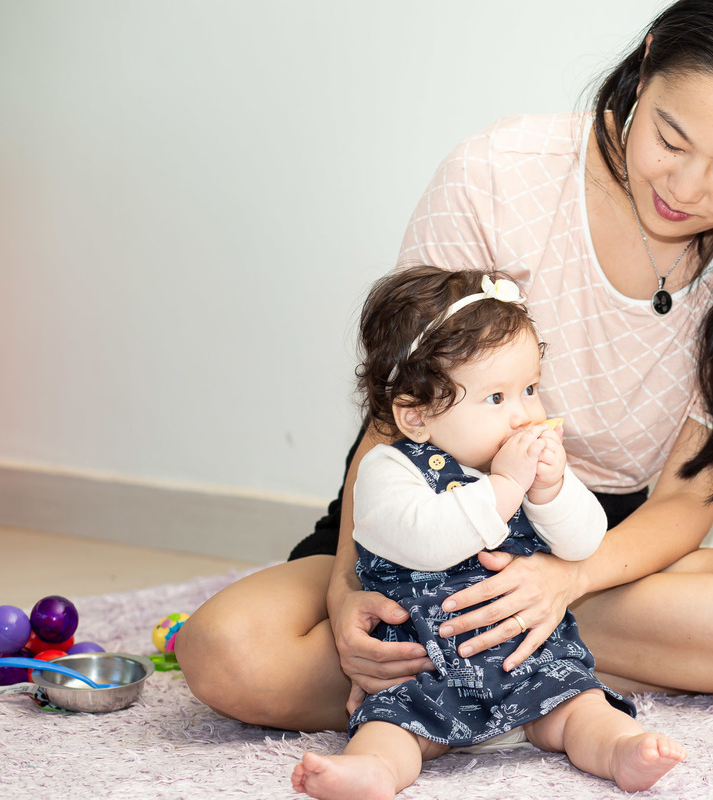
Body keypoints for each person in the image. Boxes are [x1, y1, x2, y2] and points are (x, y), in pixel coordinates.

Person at [177, 0, 713, 735]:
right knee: (228, 654)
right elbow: (398, 411)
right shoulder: (500, 175)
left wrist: (567, 581)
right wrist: (342, 586)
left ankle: (496, 668)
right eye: (669, 139)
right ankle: (550, 675)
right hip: (423, 521)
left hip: (597, 547)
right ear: (645, 64)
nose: (684, 188)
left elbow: (685, 501)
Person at [290, 266, 685, 799]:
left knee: (580, 705)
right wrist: (504, 487)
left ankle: (620, 750)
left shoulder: (526, 469)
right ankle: (373, 772)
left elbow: (584, 543)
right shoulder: (389, 470)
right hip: (425, 667)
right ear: (416, 416)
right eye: (496, 399)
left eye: (530, 388)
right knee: (389, 727)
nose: (524, 414)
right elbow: (426, 539)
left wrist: (552, 491)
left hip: (530, 660)